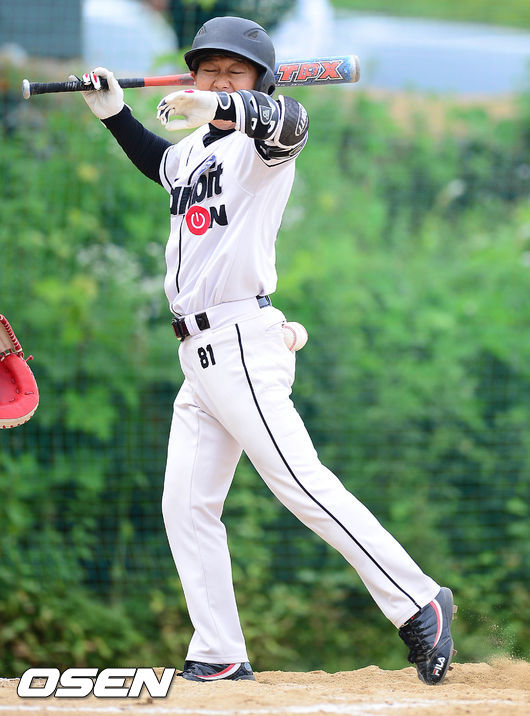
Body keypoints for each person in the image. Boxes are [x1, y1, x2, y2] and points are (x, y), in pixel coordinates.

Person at [76, 16, 456, 684]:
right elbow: (160, 163)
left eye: (236, 72)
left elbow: (291, 120)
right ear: (192, 76)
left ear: (260, 83)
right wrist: (115, 116)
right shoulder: (193, 152)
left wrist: (222, 105)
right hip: (198, 357)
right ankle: (219, 651)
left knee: (299, 482)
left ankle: (416, 599)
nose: (220, 80)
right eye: (209, 70)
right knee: (186, 506)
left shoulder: (264, 149)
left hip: (240, 344)